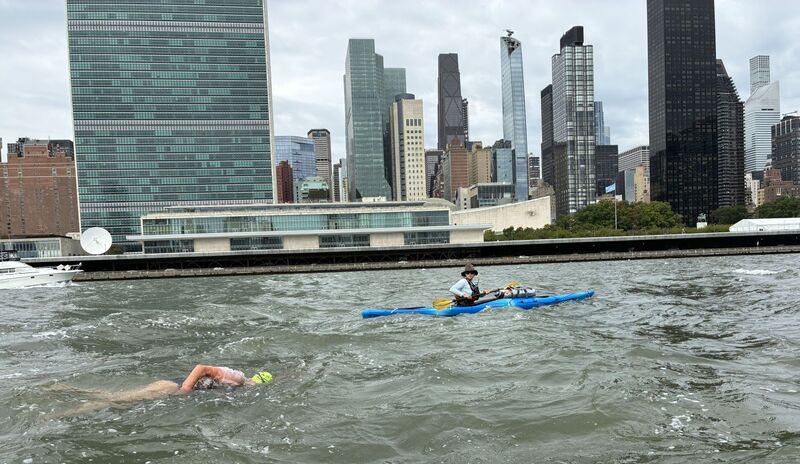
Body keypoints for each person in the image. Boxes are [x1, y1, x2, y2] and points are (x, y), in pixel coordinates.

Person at [59, 364, 272, 415]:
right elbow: (201, 368)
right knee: (116, 401)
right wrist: (185, 390)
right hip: (172, 386)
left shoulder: (238, 388)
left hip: (174, 387)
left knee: (117, 398)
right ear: (256, 382)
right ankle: (64, 412)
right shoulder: (238, 379)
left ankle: (67, 389)